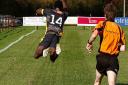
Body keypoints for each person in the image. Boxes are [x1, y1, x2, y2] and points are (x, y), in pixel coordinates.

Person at [86, 2, 126, 85]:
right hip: (112, 59)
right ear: (115, 16)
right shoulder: (119, 29)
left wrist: (89, 43)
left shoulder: (102, 24)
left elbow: (93, 36)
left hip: (102, 58)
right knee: (111, 83)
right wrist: (115, 46)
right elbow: (123, 48)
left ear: (105, 15)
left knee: (97, 81)